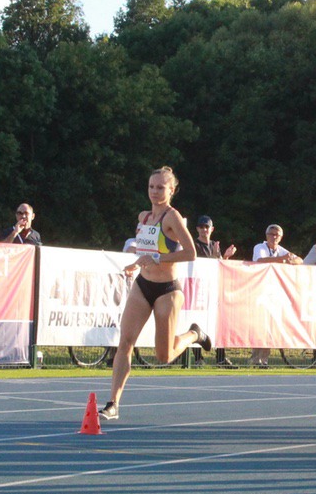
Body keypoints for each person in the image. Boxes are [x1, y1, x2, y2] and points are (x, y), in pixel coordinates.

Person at [99, 167, 212, 420]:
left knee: (164, 355)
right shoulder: (144, 217)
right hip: (143, 285)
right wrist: (137, 263)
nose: (154, 191)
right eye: (151, 186)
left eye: (160, 187)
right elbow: (147, 251)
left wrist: (159, 258)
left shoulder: (172, 218)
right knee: (125, 342)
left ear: (171, 190)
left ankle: (194, 334)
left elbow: (191, 253)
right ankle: (113, 403)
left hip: (167, 291)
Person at [250, 224, 303, 365]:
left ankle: (264, 359)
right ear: (266, 235)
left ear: (281, 237)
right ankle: (255, 359)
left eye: (276, 235)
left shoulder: (281, 250)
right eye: (271, 234)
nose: (273, 237)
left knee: (270, 327)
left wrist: (289, 260)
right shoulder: (260, 247)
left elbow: (299, 260)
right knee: (260, 325)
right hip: (259, 291)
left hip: (274, 294)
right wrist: (282, 260)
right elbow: (260, 261)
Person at [191, 215, 235, 366]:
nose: (204, 230)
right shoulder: (194, 245)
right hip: (198, 289)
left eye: (207, 227)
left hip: (213, 289)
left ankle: (221, 358)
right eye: (201, 227)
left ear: (212, 229)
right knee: (196, 321)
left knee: (218, 321)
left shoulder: (214, 245)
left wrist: (225, 256)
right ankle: (198, 358)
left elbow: (219, 265)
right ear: (197, 229)